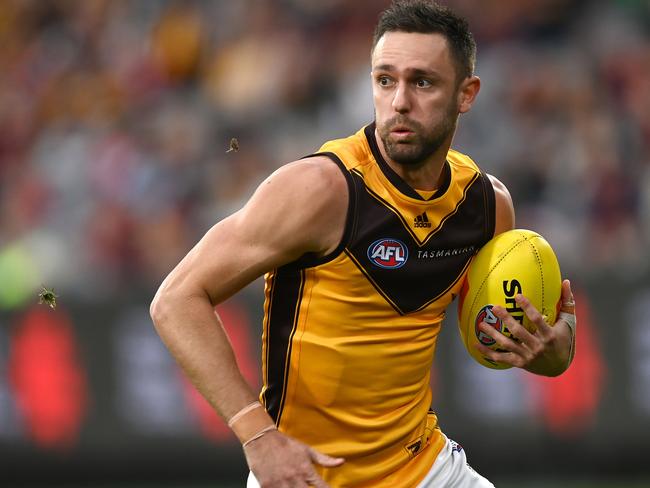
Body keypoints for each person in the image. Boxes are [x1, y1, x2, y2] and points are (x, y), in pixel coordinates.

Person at [150, 1, 577, 486]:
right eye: (385, 79)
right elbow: (176, 300)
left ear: (466, 94)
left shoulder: (485, 205)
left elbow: (497, 338)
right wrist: (257, 436)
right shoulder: (321, 189)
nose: (398, 101)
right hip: (306, 473)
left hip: (426, 468)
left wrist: (550, 351)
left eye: (422, 82)